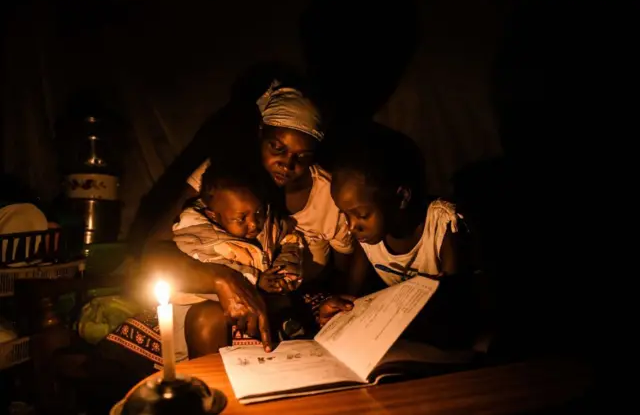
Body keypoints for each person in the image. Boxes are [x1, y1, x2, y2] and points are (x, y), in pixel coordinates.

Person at [129, 80, 353, 354]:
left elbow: (347, 269)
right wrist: (224, 278)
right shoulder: (224, 176)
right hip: (213, 287)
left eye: (302, 157)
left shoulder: (330, 193)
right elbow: (154, 253)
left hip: (292, 295)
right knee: (202, 320)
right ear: (260, 132)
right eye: (277, 147)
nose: (287, 163)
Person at [319, 127, 485, 351]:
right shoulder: (369, 239)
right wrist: (337, 312)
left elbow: (455, 303)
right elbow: (352, 298)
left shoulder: (443, 225)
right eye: (344, 214)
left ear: (402, 197)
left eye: (361, 215)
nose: (351, 226)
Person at [170, 156, 306, 357]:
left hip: (259, 293)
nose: (253, 224)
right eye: (241, 218)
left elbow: (291, 240)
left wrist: (285, 273)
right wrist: (255, 279)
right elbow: (208, 263)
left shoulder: (269, 224)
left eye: (258, 212)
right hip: (201, 302)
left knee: (286, 304)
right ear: (214, 215)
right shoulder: (195, 235)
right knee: (207, 317)